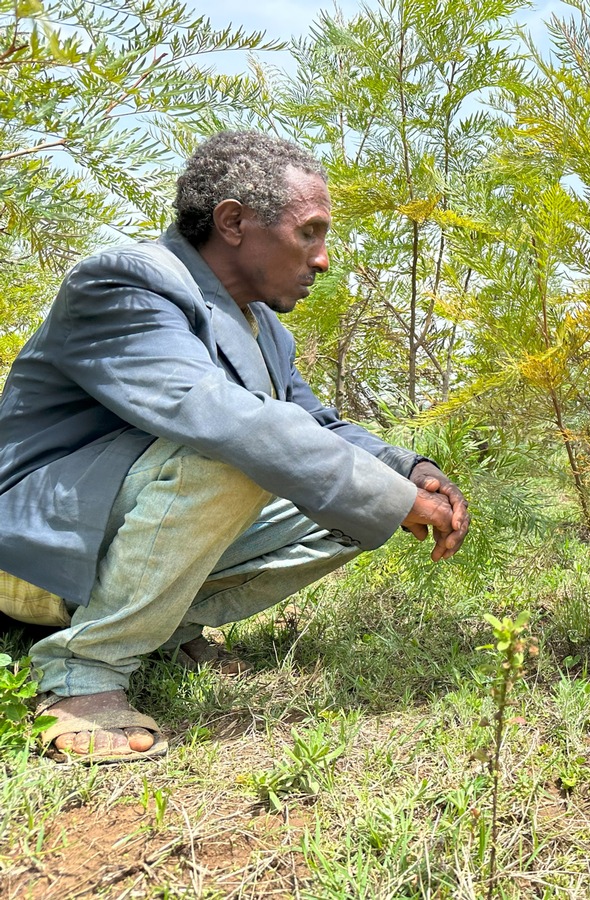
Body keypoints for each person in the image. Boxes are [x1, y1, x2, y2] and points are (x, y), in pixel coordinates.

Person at [0, 130, 469, 762]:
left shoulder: (265, 330)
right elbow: (220, 417)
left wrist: (408, 471)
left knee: (352, 507)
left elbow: (317, 426)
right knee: (250, 456)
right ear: (233, 222)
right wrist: (388, 491)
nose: (323, 258)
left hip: (113, 520)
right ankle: (79, 678)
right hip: (32, 539)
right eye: (310, 232)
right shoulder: (124, 283)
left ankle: (163, 629)